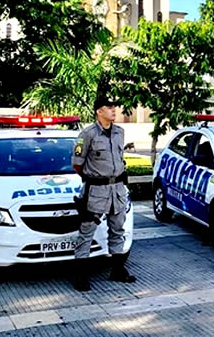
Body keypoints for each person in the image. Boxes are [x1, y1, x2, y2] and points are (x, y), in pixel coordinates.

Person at [72, 97, 136, 291]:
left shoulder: (119, 132)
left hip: (117, 188)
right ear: (99, 111)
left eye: (114, 106)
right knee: (87, 232)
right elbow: (77, 164)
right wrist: (95, 179)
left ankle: (117, 269)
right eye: (109, 107)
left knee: (118, 229)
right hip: (96, 191)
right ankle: (81, 276)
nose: (114, 110)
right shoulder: (88, 134)